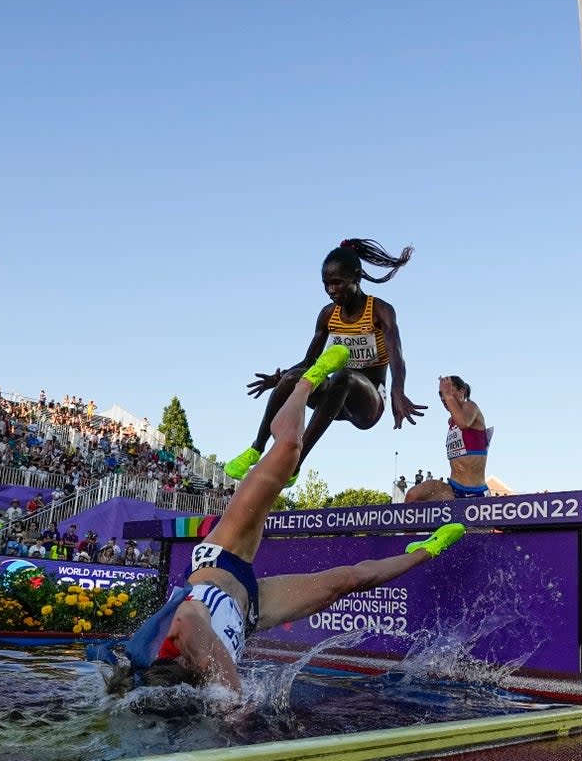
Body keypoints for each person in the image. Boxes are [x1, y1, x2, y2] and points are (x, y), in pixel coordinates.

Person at [107, 343, 465, 695]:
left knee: (289, 448)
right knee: (349, 580)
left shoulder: (176, 643)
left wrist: (234, 695)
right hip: (250, 609)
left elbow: (188, 622)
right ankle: (428, 548)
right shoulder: (194, 688)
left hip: (221, 556)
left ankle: (307, 382)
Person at [224, 239, 426, 486]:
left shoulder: (379, 311)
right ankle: (256, 448)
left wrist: (398, 390)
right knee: (294, 377)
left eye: (337, 283)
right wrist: (279, 380)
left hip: (368, 401)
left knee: (345, 376)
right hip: (333, 400)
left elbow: (397, 356)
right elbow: (310, 360)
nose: (331, 290)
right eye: (326, 284)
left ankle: (295, 463)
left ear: (356, 277)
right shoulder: (328, 315)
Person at [407, 375, 492, 502]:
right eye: (441, 394)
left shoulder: (471, 406)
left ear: (462, 391)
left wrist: (448, 396)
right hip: (452, 488)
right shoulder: (451, 422)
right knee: (413, 495)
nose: (443, 397)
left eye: (448, 391)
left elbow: (464, 423)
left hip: (476, 491)